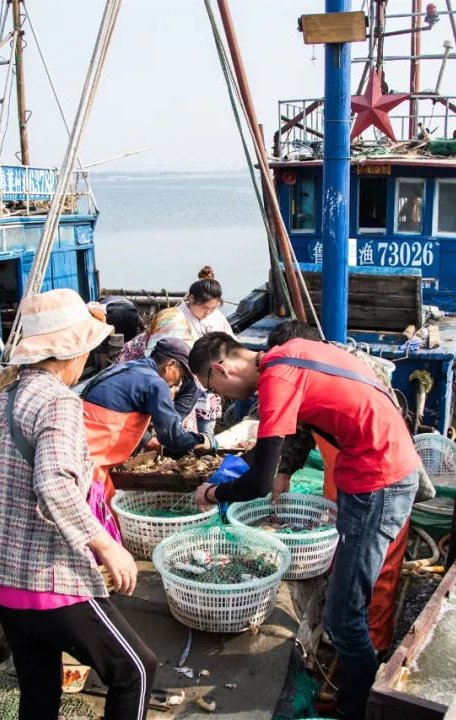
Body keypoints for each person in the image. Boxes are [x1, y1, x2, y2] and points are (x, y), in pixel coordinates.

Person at [188, 332, 419, 720]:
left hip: (379, 481)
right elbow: (288, 434)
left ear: (221, 368)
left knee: (344, 618)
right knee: (347, 606)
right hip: (374, 470)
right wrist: (282, 467)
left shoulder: (275, 380)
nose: (225, 398)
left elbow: (259, 482)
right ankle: (355, 691)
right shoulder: (290, 353)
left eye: (217, 388)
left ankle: (360, 708)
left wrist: (214, 492)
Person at [0, 288, 155, 720]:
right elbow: (54, 483)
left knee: (39, 690)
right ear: (72, 350)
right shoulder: (59, 401)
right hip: (45, 581)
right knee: (136, 670)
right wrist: (107, 547)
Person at [264, 320, 413, 658]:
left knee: (376, 573)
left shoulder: (358, 369)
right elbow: (302, 422)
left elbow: (387, 427)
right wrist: (285, 469)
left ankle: (372, 653)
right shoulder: (301, 374)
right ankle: (338, 637)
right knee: (341, 558)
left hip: (381, 473)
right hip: (343, 473)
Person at [81, 336, 215, 534]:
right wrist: (202, 441)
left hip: (83, 448)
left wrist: (146, 441)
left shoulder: (126, 368)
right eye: (182, 375)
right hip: (91, 458)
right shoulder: (156, 383)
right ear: (169, 364)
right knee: (95, 521)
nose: (179, 382)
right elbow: (173, 438)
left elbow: (116, 409)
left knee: (104, 510)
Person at [117, 267, 236, 434]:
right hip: (171, 373)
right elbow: (156, 361)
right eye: (204, 308)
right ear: (191, 299)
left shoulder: (217, 318)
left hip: (198, 376)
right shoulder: (174, 321)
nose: (208, 313)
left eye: (212, 309)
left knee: (193, 421)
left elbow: (230, 344)